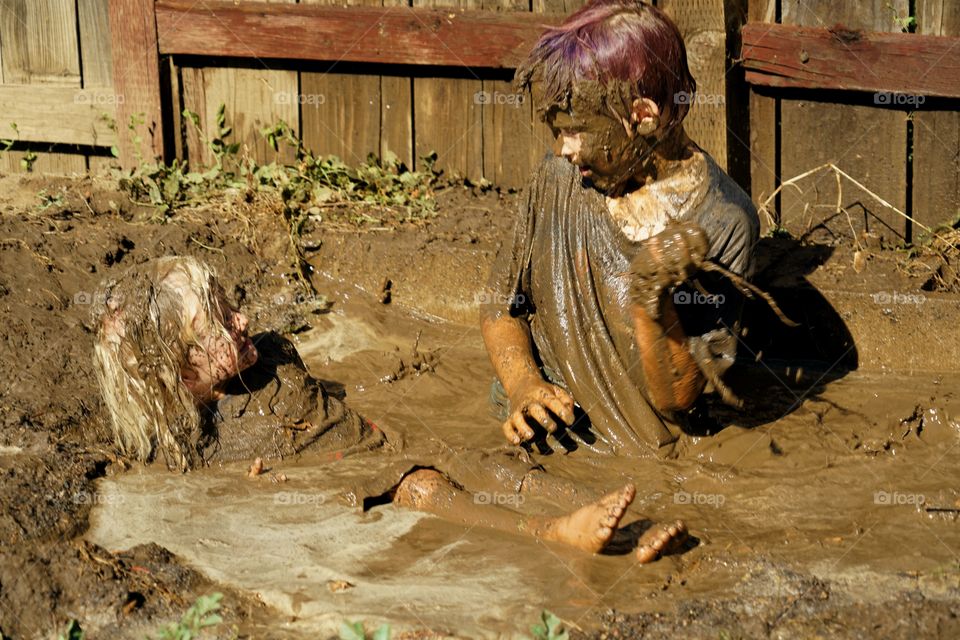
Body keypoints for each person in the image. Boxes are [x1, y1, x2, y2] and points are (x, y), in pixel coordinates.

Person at [92, 256, 687, 562]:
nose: (242, 319)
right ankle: (555, 533)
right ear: (181, 372)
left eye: (232, 306)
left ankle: (617, 517)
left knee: (490, 465)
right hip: (349, 480)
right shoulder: (202, 443)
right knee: (425, 488)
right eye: (220, 323)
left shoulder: (273, 354)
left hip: (384, 442)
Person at [481, 0, 759, 457]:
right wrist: (523, 386)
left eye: (575, 130)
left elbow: (679, 400)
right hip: (537, 434)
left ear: (643, 115)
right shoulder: (558, 176)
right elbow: (500, 306)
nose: (562, 148)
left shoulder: (723, 220)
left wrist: (650, 298)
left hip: (640, 451)